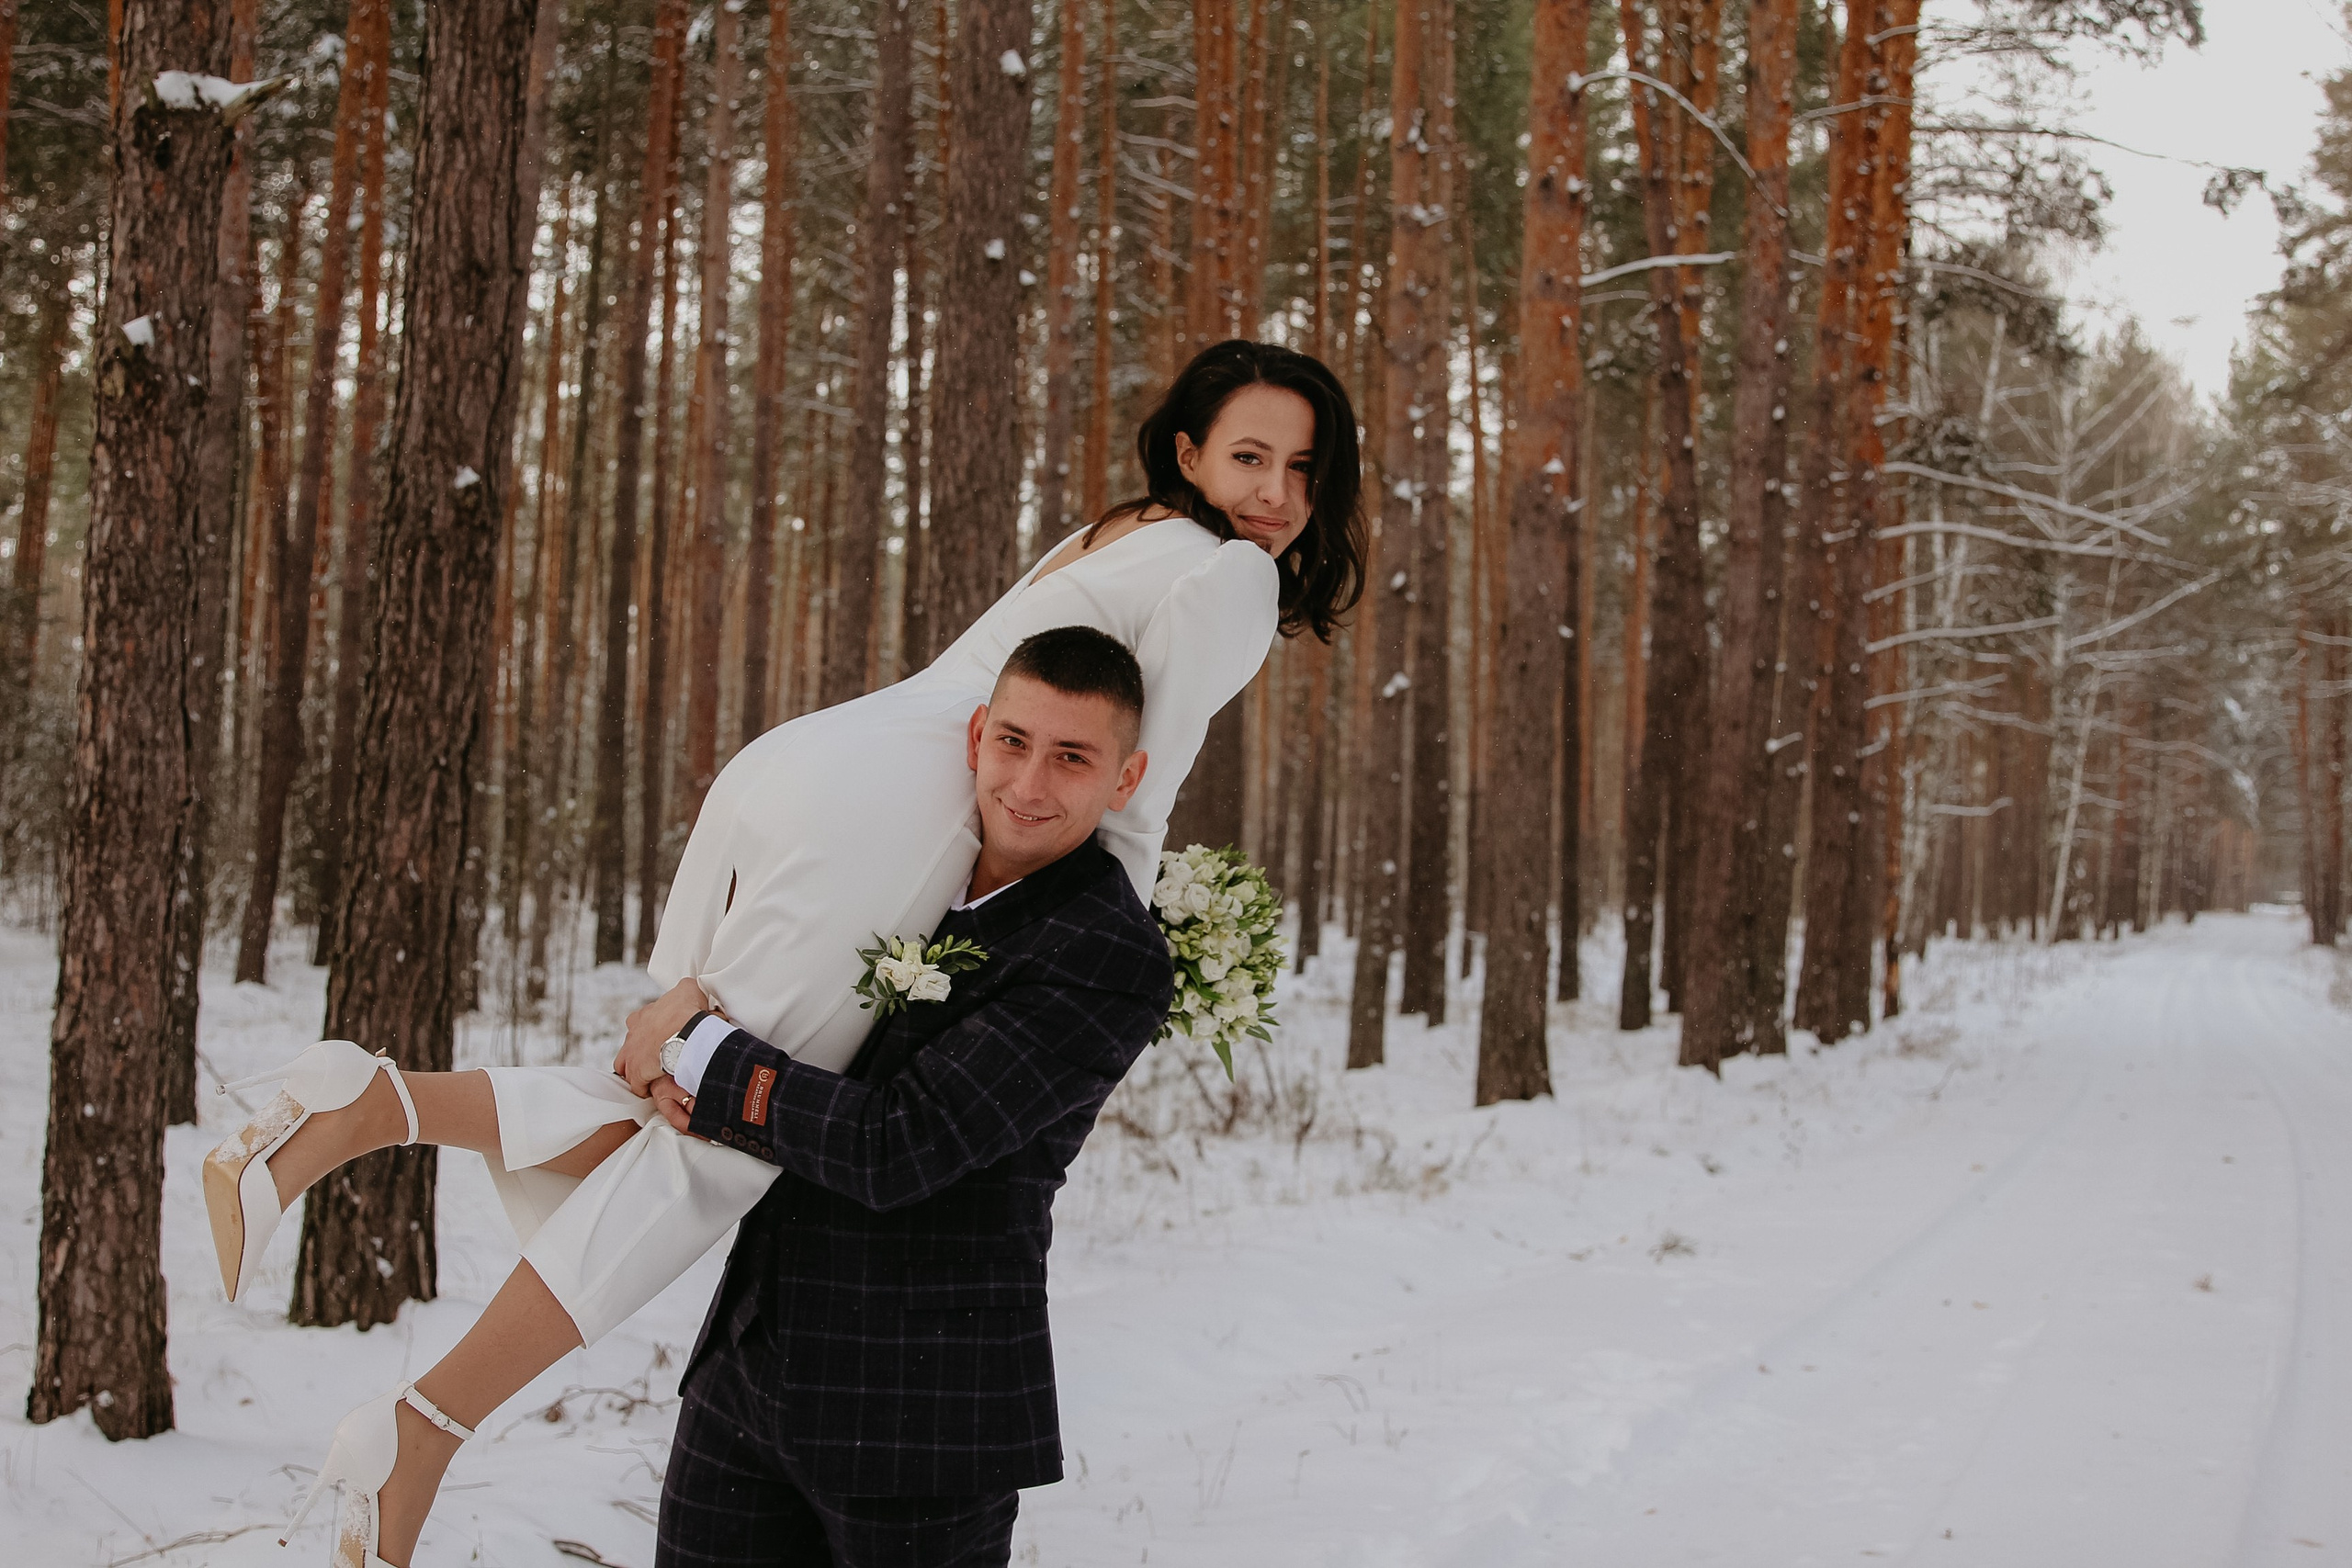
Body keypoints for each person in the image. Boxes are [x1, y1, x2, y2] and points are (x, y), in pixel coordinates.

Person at [200, 340, 1364, 1568]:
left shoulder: (1124, 528)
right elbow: (1140, 778)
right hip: (905, 805)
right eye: (1250, 456)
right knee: (707, 1137)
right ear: (1188, 452)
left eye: (1303, 466)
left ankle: (364, 1106)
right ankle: (424, 1420)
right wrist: (1095, 935)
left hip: (815, 760)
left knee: (669, 1081)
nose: (1276, 494)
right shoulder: (1231, 575)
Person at [651, 626, 1171, 1567]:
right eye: (1013, 742)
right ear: (976, 736)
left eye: (1071, 758)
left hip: (921, 1422)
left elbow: (897, 1146)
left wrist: (697, 1051)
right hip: (747, 1373)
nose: (1029, 783)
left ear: (1123, 781)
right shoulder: (902, 869)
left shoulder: (1105, 950)